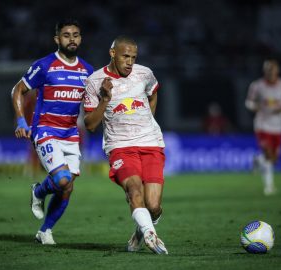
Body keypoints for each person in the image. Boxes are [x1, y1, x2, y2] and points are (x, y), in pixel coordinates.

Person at [11, 18, 93, 244]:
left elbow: (92, 105)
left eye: (76, 35)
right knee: (63, 179)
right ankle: (38, 192)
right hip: (45, 130)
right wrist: (21, 121)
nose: (72, 39)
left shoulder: (87, 70)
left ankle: (45, 231)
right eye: (67, 35)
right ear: (57, 39)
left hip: (70, 133)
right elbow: (17, 90)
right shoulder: (45, 65)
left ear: (81, 38)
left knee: (66, 188)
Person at [83, 36, 168, 254]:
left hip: (150, 142)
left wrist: (150, 120)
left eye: (133, 57)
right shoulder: (95, 81)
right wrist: (104, 99)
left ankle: (140, 230)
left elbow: (153, 92)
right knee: (133, 189)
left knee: (154, 206)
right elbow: (90, 125)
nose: (130, 62)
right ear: (113, 54)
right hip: (119, 145)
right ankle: (150, 235)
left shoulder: (144, 73)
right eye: (125, 56)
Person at [245, 59, 281, 195]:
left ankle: (257, 159)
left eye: (272, 69)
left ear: (277, 70)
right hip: (262, 124)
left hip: (278, 126)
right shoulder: (257, 85)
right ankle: (269, 187)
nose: (270, 72)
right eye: (267, 70)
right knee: (268, 155)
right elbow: (248, 102)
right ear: (264, 71)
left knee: (274, 158)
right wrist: (255, 107)